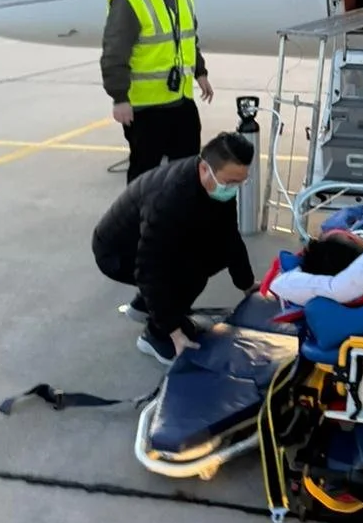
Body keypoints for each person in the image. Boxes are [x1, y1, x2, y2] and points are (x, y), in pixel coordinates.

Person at [91, 131, 256, 366]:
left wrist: (247, 284)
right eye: (231, 182)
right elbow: (149, 269)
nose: (235, 188)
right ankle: (154, 336)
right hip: (117, 253)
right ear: (204, 169)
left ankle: (143, 306)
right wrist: (174, 332)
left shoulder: (216, 184)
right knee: (191, 271)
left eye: (241, 181)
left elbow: (228, 236)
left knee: (215, 252)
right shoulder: (169, 200)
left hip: (145, 241)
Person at [100, 0, 214, 184]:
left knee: (186, 172)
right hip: (145, 110)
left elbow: (187, 39)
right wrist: (120, 97)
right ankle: (141, 223)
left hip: (181, 102)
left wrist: (200, 72)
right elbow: (114, 51)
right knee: (145, 177)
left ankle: (178, 222)